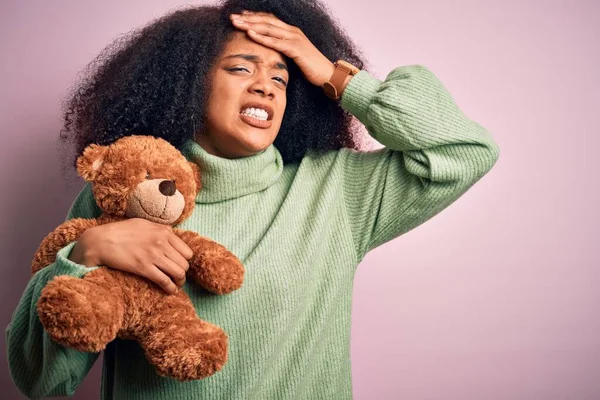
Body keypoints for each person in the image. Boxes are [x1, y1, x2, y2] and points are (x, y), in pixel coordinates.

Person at [5, 0, 500, 399]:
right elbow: (40, 381)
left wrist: (335, 75)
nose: (266, 83)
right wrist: (84, 256)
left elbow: (466, 150)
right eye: (241, 68)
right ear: (188, 82)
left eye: (282, 77)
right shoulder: (122, 195)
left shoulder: (337, 191)